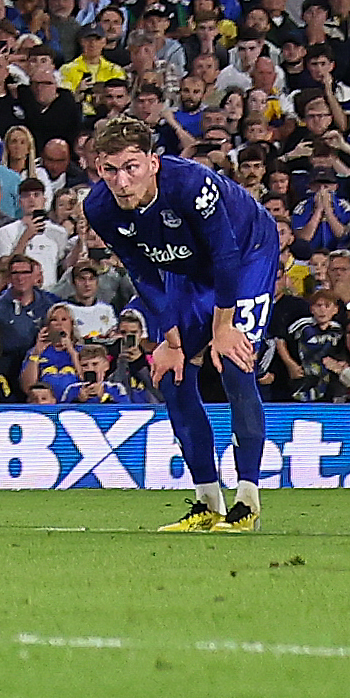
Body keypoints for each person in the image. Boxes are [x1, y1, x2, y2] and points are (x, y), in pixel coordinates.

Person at [80, 110, 282, 532]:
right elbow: (141, 271)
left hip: (246, 255)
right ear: (99, 167)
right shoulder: (99, 207)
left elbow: (226, 254)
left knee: (234, 363)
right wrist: (171, 343)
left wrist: (223, 328)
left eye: (131, 168)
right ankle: (207, 502)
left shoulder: (191, 184)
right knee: (171, 375)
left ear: (153, 163)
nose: (121, 181)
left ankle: (247, 502)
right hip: (183, 264)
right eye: (111, 170)